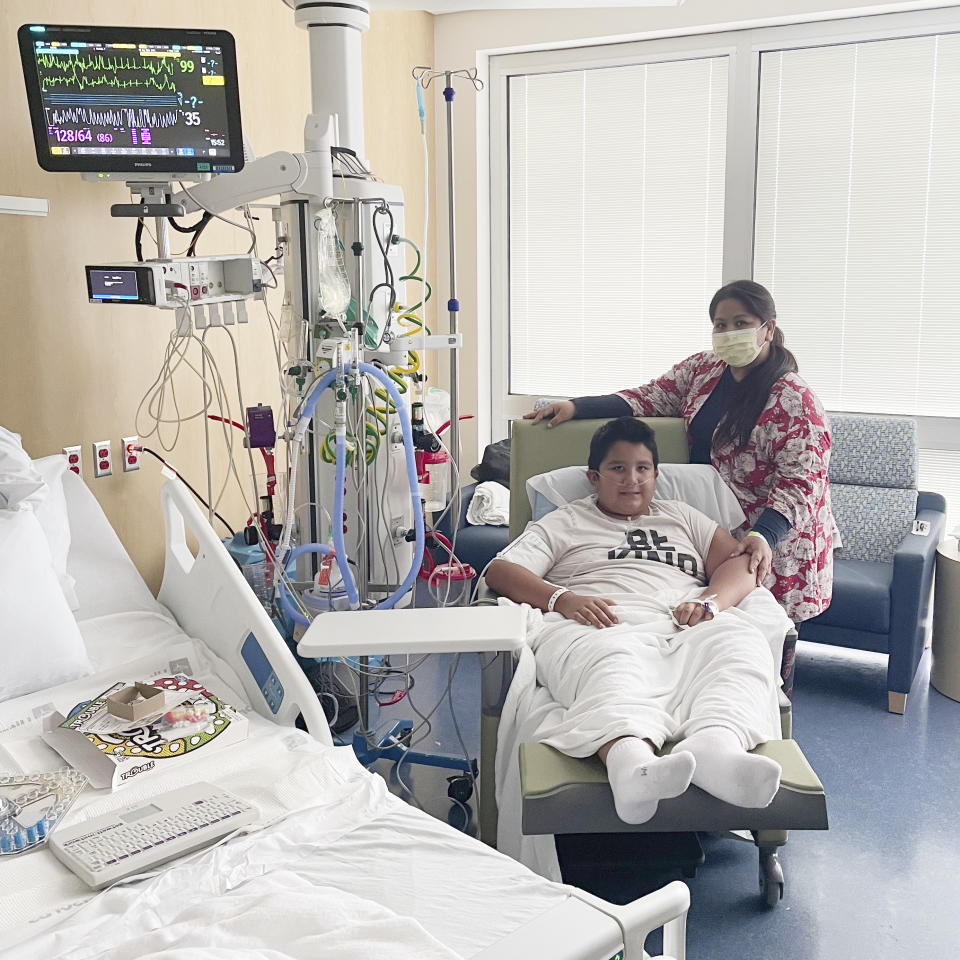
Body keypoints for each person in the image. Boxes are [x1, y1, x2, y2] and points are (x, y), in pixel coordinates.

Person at [486, 418, 788, 825]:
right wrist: (562, 599)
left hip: (683, 616)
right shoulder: (564, 521)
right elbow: (501, 571)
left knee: (738, 646)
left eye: (643, 468)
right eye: (618, 469)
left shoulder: (683, 517)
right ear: (594, 477)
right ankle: (630, 764)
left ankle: (715, 747)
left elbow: (741, 565)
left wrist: (710, 603)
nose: (632, 480)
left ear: (656, 475)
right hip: (603, 617)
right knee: (614, 661)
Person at [525, 280, 832, 625]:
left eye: (741, 323)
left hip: (771, 534)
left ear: (768, 329)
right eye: (721, 324)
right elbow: (651, 397)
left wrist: (763, 534)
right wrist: (576, 407)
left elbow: (801, 483)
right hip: (715, 528)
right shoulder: (704, 370)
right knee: (708, 622)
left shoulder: (794, 399)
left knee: (769, 629)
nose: (729, 332)